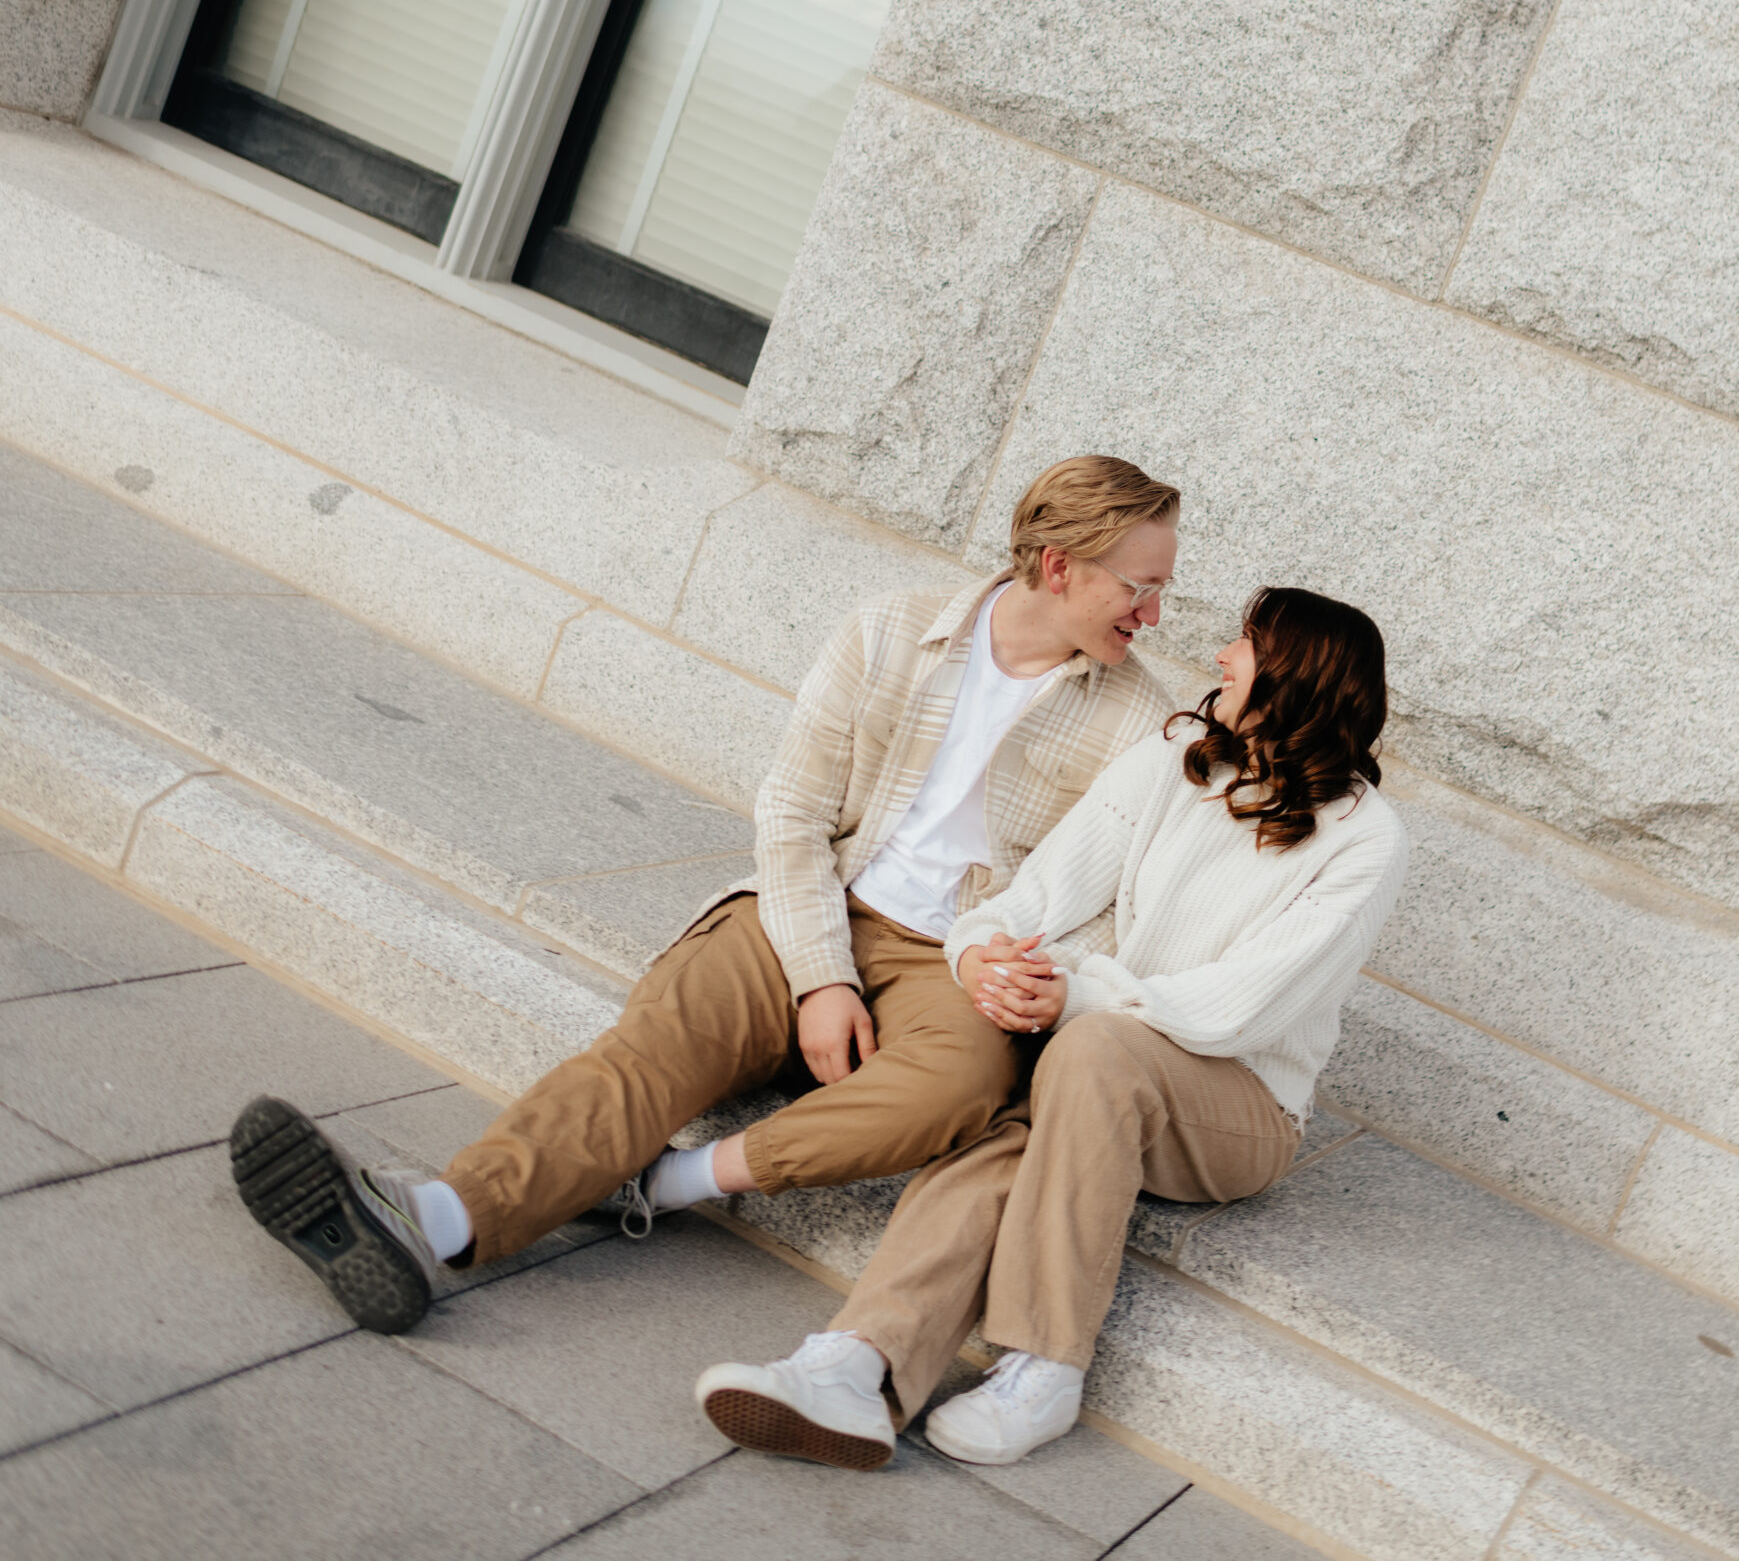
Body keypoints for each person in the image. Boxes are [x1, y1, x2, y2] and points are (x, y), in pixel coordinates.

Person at [228, 456, 1185, 1334]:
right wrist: (821, 976)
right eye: (1139, 589)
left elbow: (1110, 896)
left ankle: (666, 1180)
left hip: (958, 962)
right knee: (657, 1050)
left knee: (960, 1088)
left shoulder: (1143, 716)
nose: (1151, 618)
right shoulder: (893, 630)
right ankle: (432, 1217)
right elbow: (794, 812)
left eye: (1159, 593)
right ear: (1059, 566)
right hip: (810, 901)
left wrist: (1033, 969)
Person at [690, 586, 1409, 1471]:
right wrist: (982, 956)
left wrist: (1070, 995)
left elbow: (1236, 1009)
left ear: (1299, 671)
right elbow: (1035, 896)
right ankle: (857, 1366)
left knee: (1094, 1048)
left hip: (1240, 1106)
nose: (1220, 654)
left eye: (1245, 643)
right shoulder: (1180, 758)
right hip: (1102, 1068)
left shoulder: (1365, 840)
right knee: (1007, 1143)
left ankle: (1045, 1365)